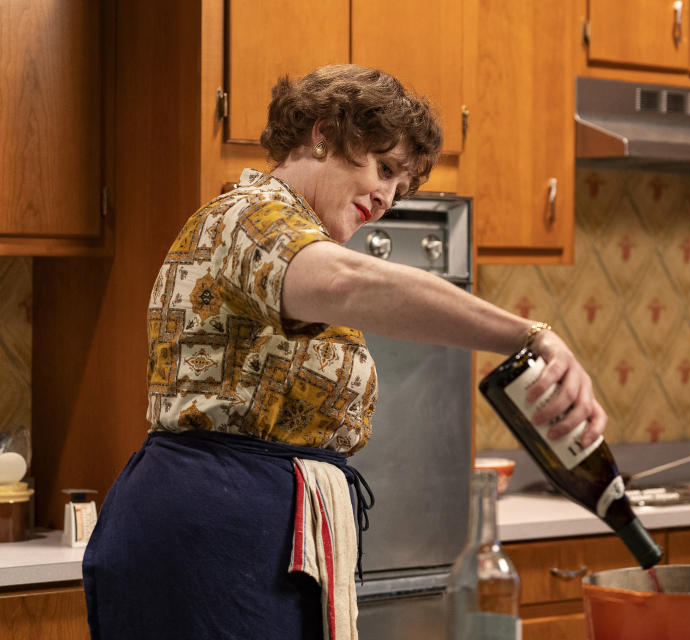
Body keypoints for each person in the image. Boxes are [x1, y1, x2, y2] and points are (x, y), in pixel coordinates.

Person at [81, 64, 606, 639]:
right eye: (383, 169)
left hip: (263, 540)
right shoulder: (248, 217)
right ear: (324, 131)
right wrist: (529, 336)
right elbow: (347, 283)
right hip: (206, 534)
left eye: (399, 191)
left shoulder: (293, 231)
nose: (385, 200)